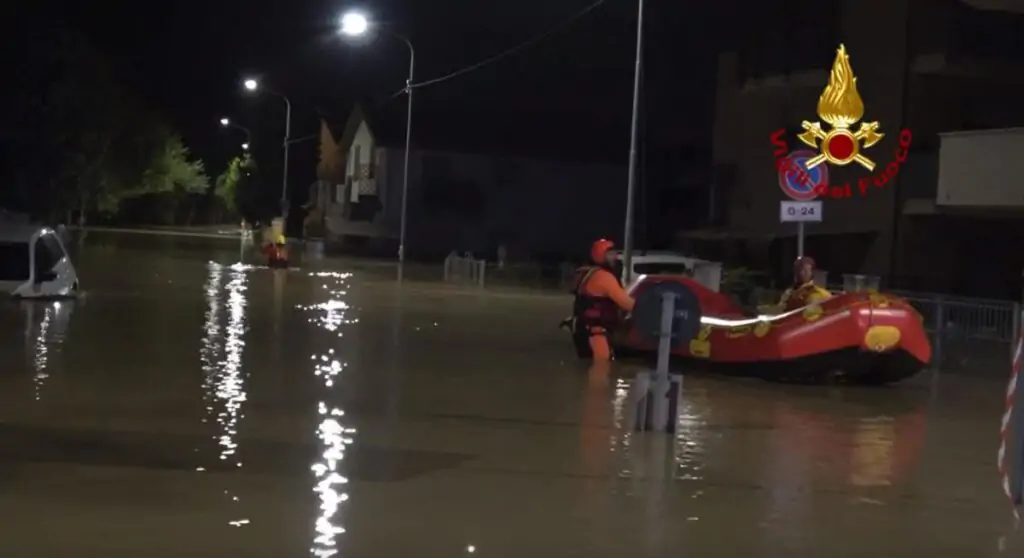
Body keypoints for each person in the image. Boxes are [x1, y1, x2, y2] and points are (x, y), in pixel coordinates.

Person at [569, 239, 636, 362]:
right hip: (597, 332)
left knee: (587, 364)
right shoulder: (604, 277)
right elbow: (628, 304)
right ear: (600, 255)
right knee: (601, 366)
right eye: (610, 254)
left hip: (582, 329)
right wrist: (647, 306)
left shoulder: (586, 273)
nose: (615, 257)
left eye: (615, 253)